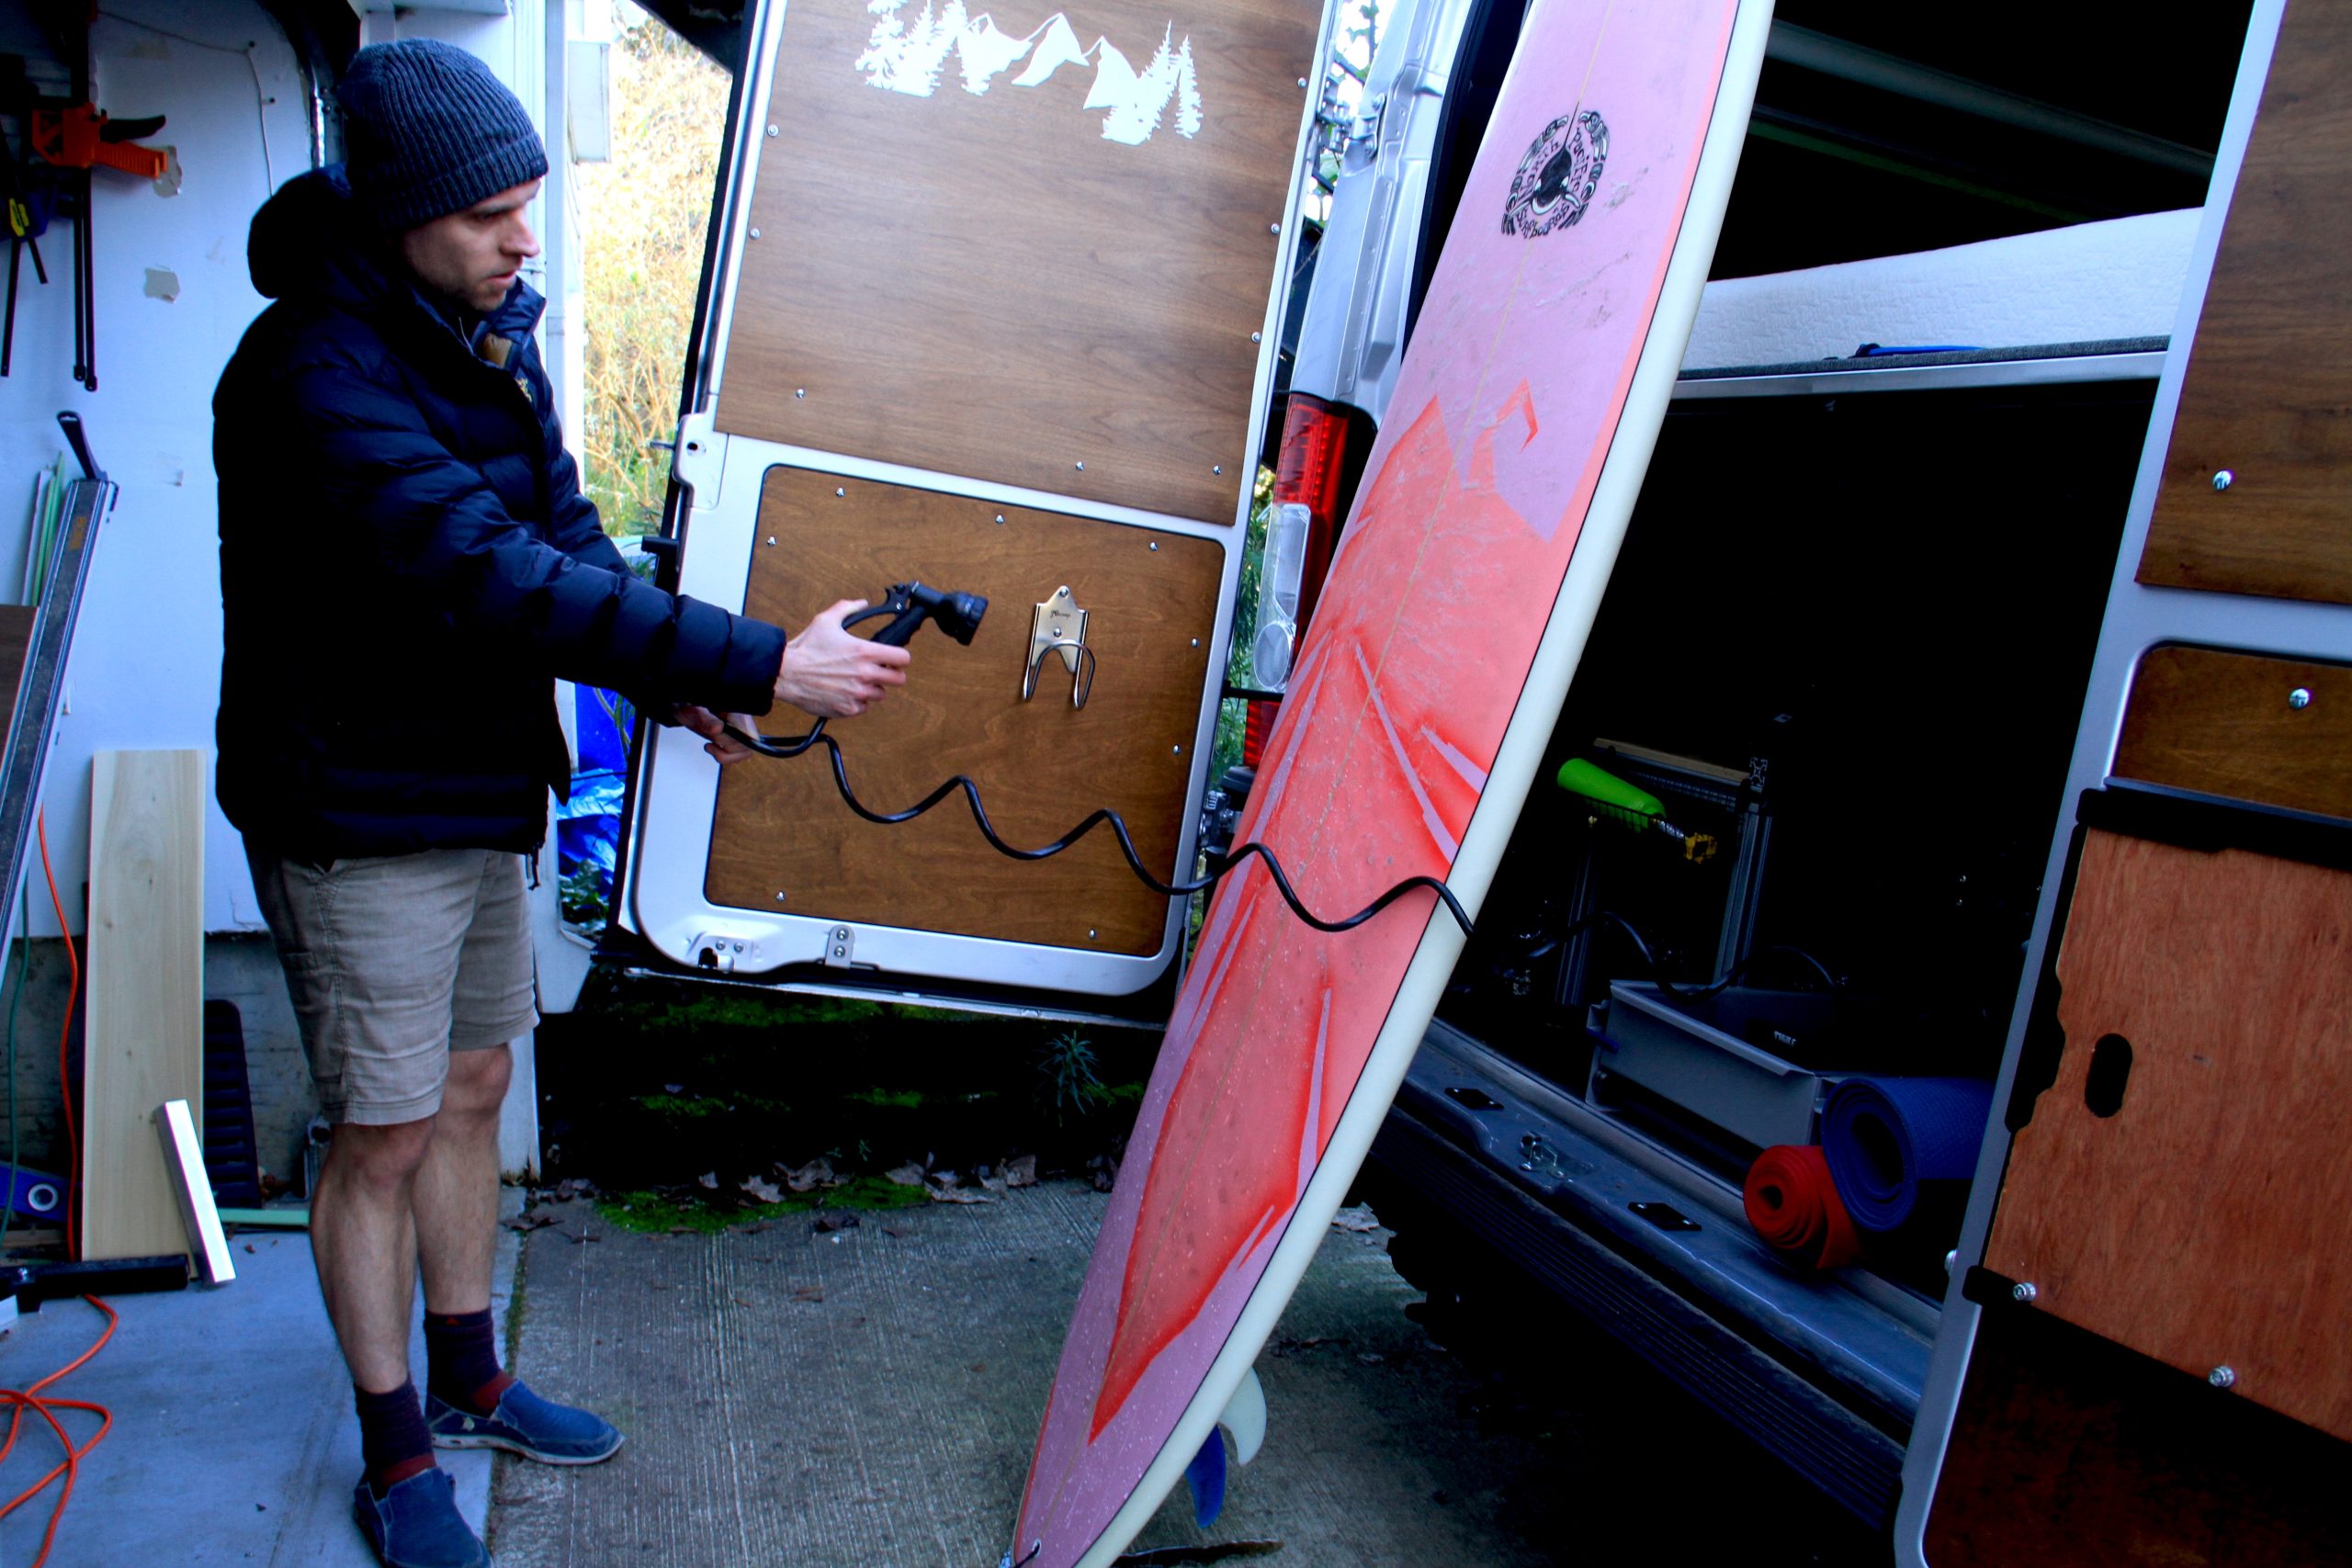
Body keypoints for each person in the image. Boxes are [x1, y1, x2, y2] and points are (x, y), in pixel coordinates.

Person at [211, 39, 908, 1568]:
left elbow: (563, 532)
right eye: (492, 214)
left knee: (470, 1094)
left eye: (531, 205)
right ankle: (399, 1456)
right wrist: (766, 657)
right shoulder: (310, 376)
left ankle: (473, 1375)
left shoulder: (484, 335)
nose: (526, 239)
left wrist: (679, 679)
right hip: (355, 808)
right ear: (401, 210)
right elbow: (485, 569)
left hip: (471, 787)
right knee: (381, 1133)